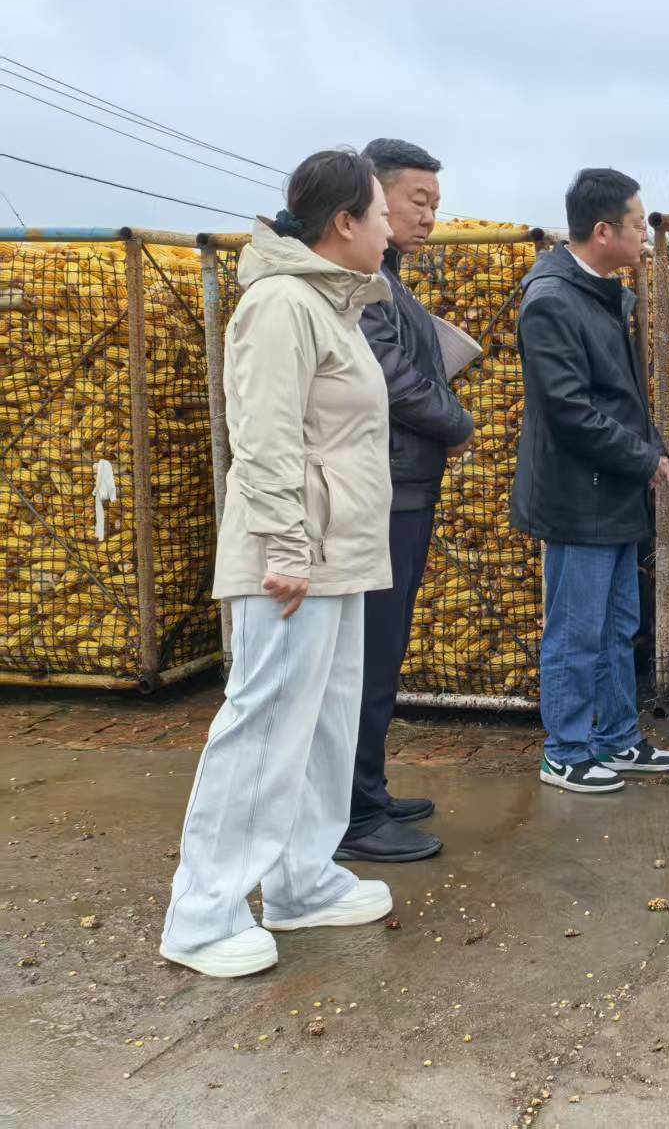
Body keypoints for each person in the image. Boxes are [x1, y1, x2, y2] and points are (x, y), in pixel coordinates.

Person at [160, 149, 397, 977]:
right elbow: (263, 436)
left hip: (338, 553)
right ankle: (202, 913)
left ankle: (301, 879)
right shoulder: (280, 304)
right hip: (292, 558)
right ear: (345, 221)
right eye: (381, 213)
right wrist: (289, 547)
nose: (391, 228)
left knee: (324, 724)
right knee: (262, 726)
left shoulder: (329, 306)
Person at [511, 168, 669, 792]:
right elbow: (568, 409)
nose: (645, 237)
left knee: (617, 626)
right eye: (638, 224)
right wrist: (641, 458)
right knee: (577, 629)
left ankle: (616, 737)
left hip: (611, 491)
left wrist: (650, 448)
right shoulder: (552, 301)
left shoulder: (603, 293)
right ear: (604, 230)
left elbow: (624, 396)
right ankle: (565, 750)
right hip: (575, 496)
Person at [334, 138, 474, 865]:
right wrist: (456, 421)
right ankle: (352, 813)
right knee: (369, 653)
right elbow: (389, 374)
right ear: (372, 197)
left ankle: (368, 789)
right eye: (417, 201)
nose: (428, 217)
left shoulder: (388, 278)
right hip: (384, 492)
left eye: (435, 205)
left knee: (382, 653)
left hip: (405, 484)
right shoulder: (362, 284)